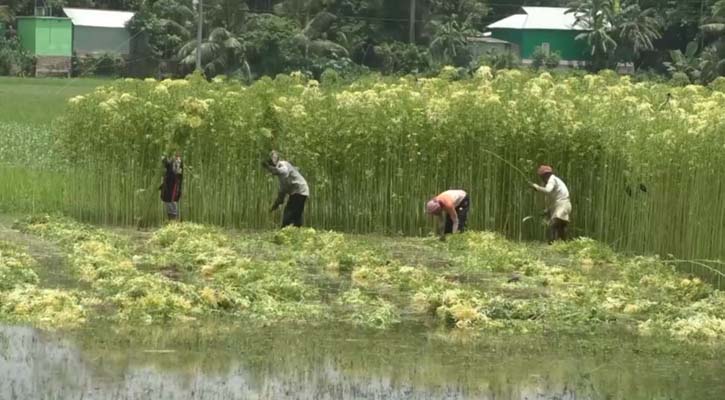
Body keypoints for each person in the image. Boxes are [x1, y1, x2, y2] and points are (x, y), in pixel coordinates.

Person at [262, 151, 309, 228]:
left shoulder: (282, 164)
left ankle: (284, 230)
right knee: (296, 214)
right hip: (297, 192)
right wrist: (274, 206)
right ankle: (296, 231)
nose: (270, 172)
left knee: (289, 213)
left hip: (300, 190)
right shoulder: (282, 180)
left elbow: (284, 171)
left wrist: (269, 167)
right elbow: (281, 196)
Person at [530, 165, 571, 243]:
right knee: (561, 227)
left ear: (544, 175)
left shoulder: (552, 179)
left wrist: (537, 187)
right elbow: (553, 199)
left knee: (553, 225)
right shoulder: (554, 180)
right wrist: (547, 210)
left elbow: (548, 190)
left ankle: (551, 244)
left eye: (541, 177)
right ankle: (564, 245)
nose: (542, 179)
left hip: (562, 204)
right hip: (564, 204)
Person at [159, 152, 183, 221]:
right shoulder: (171, 160)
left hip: (174, 183)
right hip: (168, 183)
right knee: (167, 199)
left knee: (172, 199)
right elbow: (167, 166)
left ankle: (173, 219)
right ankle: (171, 219)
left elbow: (176, 172)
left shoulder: (178, 161)